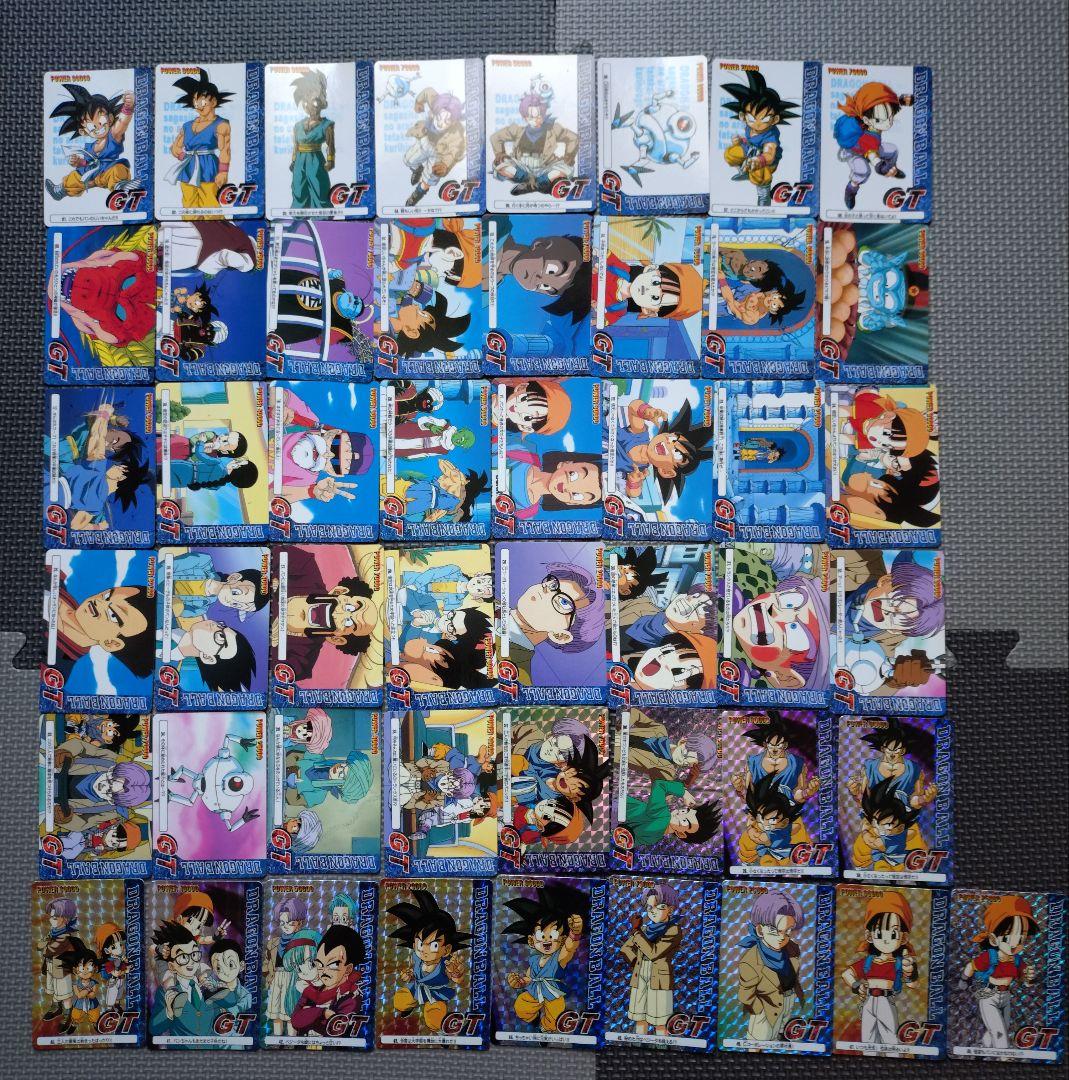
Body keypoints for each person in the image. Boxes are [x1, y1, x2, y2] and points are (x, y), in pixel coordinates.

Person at [840, 891, 918, 1047]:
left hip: (886, 1002)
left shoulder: (898, 963)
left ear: (903, 938)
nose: (886, 940)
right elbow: (846, 974)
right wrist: (856, 985)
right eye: (880, 933)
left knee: (890, 1041)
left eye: (893, 934)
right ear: (869, 936)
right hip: (868, 1002)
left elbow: (912, 984)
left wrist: (909, 971)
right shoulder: (868, 962)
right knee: (868, 1041)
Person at [46, 83, 137, 202]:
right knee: (74, 176)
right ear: (83, 131)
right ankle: (60, 190)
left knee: (119, 169)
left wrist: (128, 108)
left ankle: (120, 189)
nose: (98, 126)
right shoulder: (89, 148)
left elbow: (122, 123)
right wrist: (78, 162)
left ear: (110, 119)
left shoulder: (113, 136)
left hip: (108, 173)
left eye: (101, 120)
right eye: (91, 125)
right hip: (91, 177)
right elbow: (86, 163)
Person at [737, 889, 806, 1042]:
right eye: (775, 931)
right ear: (760, 930)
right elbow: (745, 994)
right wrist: (760, 1010)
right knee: (759, 1042)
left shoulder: (792, 948)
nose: (782, 937)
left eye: (787, 931)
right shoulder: (751, 961)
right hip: (766, 1010)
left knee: (781, 1039)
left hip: (788, 1000)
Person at [621, 884, 682, 1037]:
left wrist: (636, 932)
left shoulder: (673, 930)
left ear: (670, 909)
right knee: (640, 1019)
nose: (653, 911)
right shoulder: (645, 930)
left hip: (659, 979)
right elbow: (625, 948)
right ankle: (638, 1046)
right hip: (639, 976)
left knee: (660, 1022)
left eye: (659, 906)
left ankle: (661, 1048)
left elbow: (654, 953)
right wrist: (635, 962)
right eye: (649, 907)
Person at [168, 68, 233, 209]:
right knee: (188, 205)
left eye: (202, 102)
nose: (198, 106)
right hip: (188, 167)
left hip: (208, 167)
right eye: (195, 103)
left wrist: (223, 171)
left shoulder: (221, 125)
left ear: (213, 102)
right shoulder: (187, 126)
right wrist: (184, 157)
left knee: (210, 204)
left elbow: (225, 150)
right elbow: (174, 147)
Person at [289, 69, 334, 209]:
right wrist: (294, 160)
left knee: (319, 188)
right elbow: (295, 146)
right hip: (299, 161)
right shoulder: (298, 125)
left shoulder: (326, 125)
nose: (311, 105)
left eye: (315, 100)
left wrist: (330, 160)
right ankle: (298, 216)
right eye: (306, 100)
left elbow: (330, 145)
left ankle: (321, 216)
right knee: (298, 189)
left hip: (316, 160)